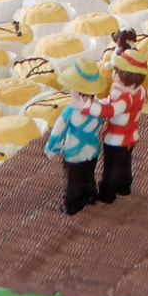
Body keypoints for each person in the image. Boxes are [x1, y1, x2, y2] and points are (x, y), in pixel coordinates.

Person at [77, 29, 148, 203]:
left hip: (117, 139)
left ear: (124, 76)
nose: (112, 73)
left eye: (116, 71)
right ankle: (125, 186)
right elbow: (117, 103)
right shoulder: (139, 92)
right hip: (131, 135)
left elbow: (109, 111)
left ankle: (107, 192)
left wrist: (88, 106)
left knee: (112, 167)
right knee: (125, 164)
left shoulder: (124, 98)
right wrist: (105, 101)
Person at [44, 57, 108, 215]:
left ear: (77, 91)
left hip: (74, 151)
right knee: (88, 175)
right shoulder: (98, 108)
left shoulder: (70, 111)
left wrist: (52, 150)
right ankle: (90, 196)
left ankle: (72, 204)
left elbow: (58, 132)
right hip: (92, 149)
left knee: (72, 180)